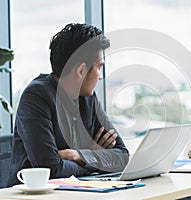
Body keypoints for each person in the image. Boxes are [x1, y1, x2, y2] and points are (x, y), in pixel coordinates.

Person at [7, 23, 129, 186]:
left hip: (79, 192)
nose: (100, 77)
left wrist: (78, 155)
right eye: (99, 68)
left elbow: (123, 157)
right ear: (81, 71)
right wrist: (94, 157)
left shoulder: (88, 98)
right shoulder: (36, 97)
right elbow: (50, 169)